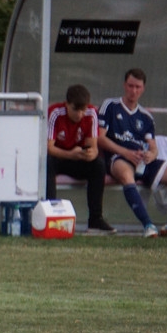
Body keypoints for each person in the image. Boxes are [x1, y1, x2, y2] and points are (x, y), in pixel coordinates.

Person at [97, 68, 167, 238]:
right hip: (118, 157)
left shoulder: (146, 116)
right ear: (124, 85)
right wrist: (126, 152)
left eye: (137, 87)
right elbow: (100, 138)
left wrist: (151, 154)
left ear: (143, 89)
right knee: (126, 175)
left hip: (142, 160)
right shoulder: (110, 106)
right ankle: (148, 225)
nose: (133, 91)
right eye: (130, 86)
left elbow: (153, 145)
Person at [46, 84, 115, 233]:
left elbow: (93, 147)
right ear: (67, 105)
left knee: (98, 165)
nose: (79, 114)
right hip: (58, 157)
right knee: (47, 162)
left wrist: (90, 154)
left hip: (77, 157)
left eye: (82, 110)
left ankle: (95, 220)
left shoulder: (91, 113)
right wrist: (70, 154)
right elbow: (49, 147)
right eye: (75, 109)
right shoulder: (55, 113)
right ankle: (51, 214)